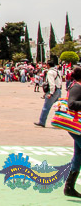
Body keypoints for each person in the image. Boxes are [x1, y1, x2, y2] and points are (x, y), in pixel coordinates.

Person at [63, 65, 81, 198]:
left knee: (78, 157)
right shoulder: (77, 87)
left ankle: (69, 187)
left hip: (78, 127)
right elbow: (71, 104)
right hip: (77, 127)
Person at [35, 61, 62, 128]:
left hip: (53, 91)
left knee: (46, 107)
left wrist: (50, 93)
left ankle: (42, 122)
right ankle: (60, 122)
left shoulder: (50, 72)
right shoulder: (57, 71)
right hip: (58, 90)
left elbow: (51, 83)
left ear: (48, 65)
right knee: (59, 108)